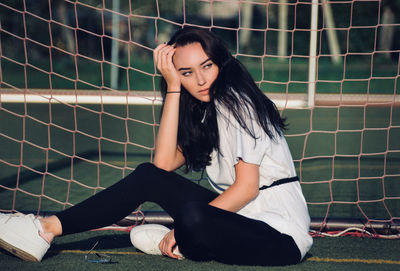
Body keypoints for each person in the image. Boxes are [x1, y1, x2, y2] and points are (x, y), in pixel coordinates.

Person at [0, 27, 312, 266]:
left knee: (193, 219)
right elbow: (161, 167)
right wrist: (173, 88)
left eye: (207, 66)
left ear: (221, 63)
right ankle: (46, 229)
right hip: (236, 222)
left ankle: (182, 238)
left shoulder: (236, 103)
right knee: (150, 177)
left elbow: (246, 189)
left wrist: (180, 228)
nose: (201, 80)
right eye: (187, 73)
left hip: (279, 235)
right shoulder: (206, 112)